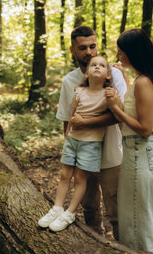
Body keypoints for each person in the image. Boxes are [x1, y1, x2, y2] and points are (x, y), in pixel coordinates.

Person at [54, 26, 127, 238]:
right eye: (83, 47)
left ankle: (123, 249)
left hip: (111, 155)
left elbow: (122, 113)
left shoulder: (114, 74)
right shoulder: (70, 81)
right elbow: (67, 119)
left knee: (117, 211)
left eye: (93, 46)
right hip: (82, 155)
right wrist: (70, 151)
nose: (89, 52)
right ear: (72, 50)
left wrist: (86, 122)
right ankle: (96, 246)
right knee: (90, 209)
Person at [105, 28, 153, 253]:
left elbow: (143, 128)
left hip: (141, 152)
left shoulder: (144, 82)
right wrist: (122, 78)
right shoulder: (147, 78)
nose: (118, 56)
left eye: (121, 52)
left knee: (138, 221)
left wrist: (115, 109)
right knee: (147, 218)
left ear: (134, 52)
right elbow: (135, 108)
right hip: (145, 153)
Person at [38, 56, 116, 232]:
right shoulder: (79, 91)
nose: (97, 67)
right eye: (93, 65)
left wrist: (117, 90)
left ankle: (70, 212)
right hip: (73, 140)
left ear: (108, 74)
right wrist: (67, 136)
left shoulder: (108, 94)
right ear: (87, 72)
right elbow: (72, 114)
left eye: (102, 65)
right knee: (65, 175)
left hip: (91, 143)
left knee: (81, 179)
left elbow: (116, 114)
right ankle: (57, 208)